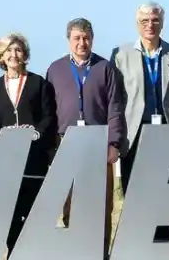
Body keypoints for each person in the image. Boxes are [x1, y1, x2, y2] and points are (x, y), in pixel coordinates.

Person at [45, 17, 126, 259]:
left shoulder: (105, 68)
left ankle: (101, 254)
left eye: (86, 38)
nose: (82, 43)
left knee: (102, 206)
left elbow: (115, 107)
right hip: (66, 144)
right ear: (68, 40)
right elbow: (49, 111)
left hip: (99, 145)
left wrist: (113, 143)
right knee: (70, 203)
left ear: (92, 39)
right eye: (77, 38)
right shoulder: (55, 69)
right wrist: (51, 147)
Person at [110, 1, 169, 242]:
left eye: (155, 20)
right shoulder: (120, 54)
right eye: (144, 20)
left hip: (167, 135)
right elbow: (117, 98)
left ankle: (162, 247)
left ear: (162, 23)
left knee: (166, 198)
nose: (150, 25)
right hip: (135, 136)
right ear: (137, 24)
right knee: (136, 199)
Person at [0, 32, 57, 256]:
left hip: (34, 159)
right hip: (6, 161)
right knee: (9, 214)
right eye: (8, 50)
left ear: (25, 54)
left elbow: (49, 116)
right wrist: (0, 134)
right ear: (1, 56)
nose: (13, 55)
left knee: (33, 212)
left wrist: (36, 133)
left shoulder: (39, 83)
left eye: (18, 50)